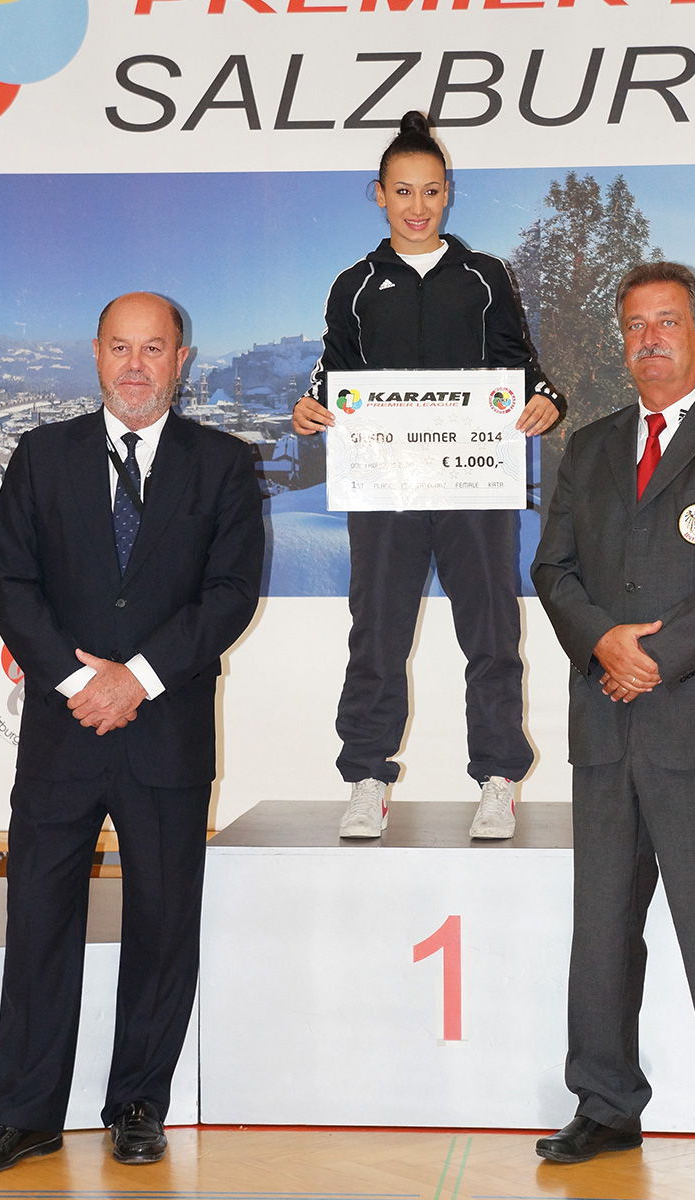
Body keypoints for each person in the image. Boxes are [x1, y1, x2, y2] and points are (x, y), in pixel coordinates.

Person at [531, 261, 695, 1187]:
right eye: (635, 326)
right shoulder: (591, 446)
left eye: (667, 323)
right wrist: (603, 642)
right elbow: (553, 569)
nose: (649, 340)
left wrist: (654, 655)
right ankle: (604, 1105)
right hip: (606, 723)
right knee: (602, 928)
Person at [0, 292, 264, 1172]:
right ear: (96, 354)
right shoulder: (41, 456)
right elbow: (9, 581)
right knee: (39, 920)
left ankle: (138, 1104)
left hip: (166, 733)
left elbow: (230, 594)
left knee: (161, 921)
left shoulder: (223, 462)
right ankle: (25, 1112)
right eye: (121, 347)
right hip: (63, 729)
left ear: (182, 360)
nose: (136, 365)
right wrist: (81, 682)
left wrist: (136, 679)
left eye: (154, 349)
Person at [293, 111, 562, 841]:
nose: (419, 207)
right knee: (376, 634)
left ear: (449, 194)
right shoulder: (353, 285)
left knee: (492, 632)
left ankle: (499, 779)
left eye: (432, 191)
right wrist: (311, 407)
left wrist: (546, 399)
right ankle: (367, 778)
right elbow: (332, 372)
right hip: (385, 488)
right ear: (379, 194)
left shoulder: (485, 276)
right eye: (404, 191)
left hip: (475, 485)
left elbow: (521, 368)